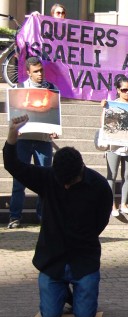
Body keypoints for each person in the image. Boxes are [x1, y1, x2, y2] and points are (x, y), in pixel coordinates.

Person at [4, 116, 112, 317]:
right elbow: (13, 165)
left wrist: (84, 235)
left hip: (84, 258)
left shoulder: (99, 186)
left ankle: (78, 294)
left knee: (84, 316)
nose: (66, 186)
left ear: (82, 169)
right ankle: (60, 292)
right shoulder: (48, 178)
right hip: (52, 258)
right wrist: (12, 135)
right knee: (51, 315)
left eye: (70, 182)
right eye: (62, 182)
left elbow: (102, 220)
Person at [8, 57, 58, 229]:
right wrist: (14, 129)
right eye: (36, 71)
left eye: (41, 70)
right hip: (23, 141)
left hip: (43, 141)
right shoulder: (19, 89)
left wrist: (55, 129)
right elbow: (13, 115)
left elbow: (54, 113)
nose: (39, 74)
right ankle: (15, 216)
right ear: (28, 72)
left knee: (45, 180)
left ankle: (42, 215)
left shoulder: (51, 89)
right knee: (19, 181)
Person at [100, 77, 128, 217]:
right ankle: (111, 204)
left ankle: (124, 203)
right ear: (118, 90)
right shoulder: (112, 105)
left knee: (127, 175)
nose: (127, 92)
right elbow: (104, 123)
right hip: (114, 146)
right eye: (124, 90)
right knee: (112, 175)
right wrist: (105, 108)